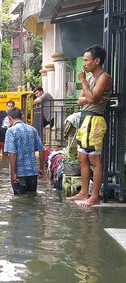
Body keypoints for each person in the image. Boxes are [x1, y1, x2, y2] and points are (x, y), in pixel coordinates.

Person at [68, 45, 112, 207]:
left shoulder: (104, 77)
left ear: (97, 61)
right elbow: (82, 100)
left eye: (86, 60)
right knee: (82, 157)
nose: (84, 64)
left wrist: (83, 82)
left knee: (94, 159)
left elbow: (92, 99)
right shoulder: (92, 78)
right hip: (85, 118)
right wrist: (91, 96)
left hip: (95, 120)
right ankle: (83, 192)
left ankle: (94, 196)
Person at [4, 107, 45, 195]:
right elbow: (41, 149)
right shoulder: (32, 129)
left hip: (19, 174)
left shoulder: (11, 131)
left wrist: (13, 174)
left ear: (10, 119)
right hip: (33, 172)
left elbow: (12, 153)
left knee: (20, 201)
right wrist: (41, 169)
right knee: (32, 199)